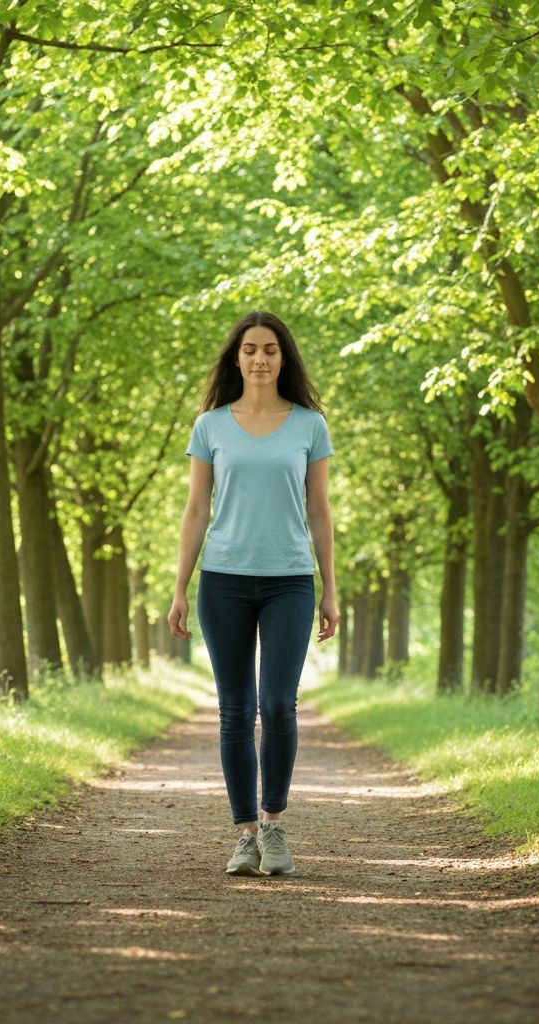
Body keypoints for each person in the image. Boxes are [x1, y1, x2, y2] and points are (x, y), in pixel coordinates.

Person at [167, 310, 338, 877]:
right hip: (224, 580)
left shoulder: (309, 425)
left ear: (283, 358)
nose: (259, 359)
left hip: (290, 579)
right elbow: (196, 510)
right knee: (236, 710)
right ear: (236, 359)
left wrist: (330, 589)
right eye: (249, 350)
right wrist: (179, 588)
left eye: (269, 349)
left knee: (278, 705)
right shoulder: (210, 426)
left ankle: (273, 825)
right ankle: (244, 836)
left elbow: (320, 511)